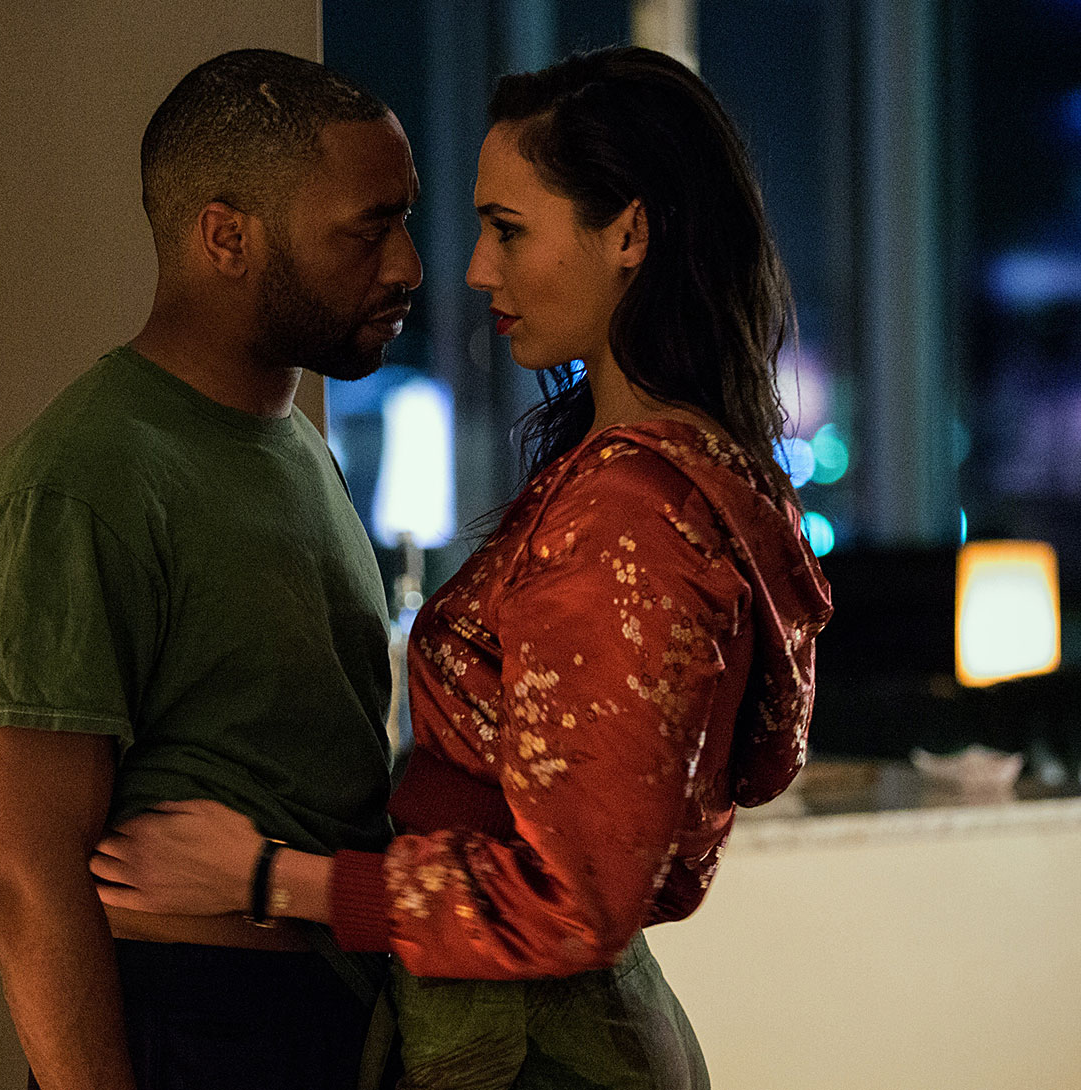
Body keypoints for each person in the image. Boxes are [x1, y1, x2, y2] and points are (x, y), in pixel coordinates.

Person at [89, 47, 832, 1088]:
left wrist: (268, 877)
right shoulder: (664, 477)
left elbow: (573, 900)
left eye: (508, 229)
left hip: (532, 1045)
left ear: (629, 233)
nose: (476, 269)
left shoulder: (634, 512)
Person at [0, 49, 420, 1090]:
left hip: (333, 1017)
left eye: (406, 220)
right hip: (196, 1030)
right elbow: (24, 875)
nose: (407, 266)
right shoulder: (77, 477)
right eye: (367, 229)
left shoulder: (299, 445)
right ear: (226, 237)